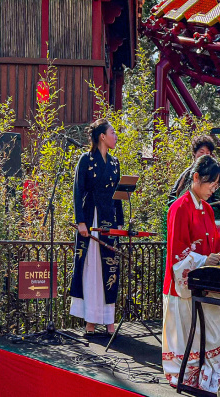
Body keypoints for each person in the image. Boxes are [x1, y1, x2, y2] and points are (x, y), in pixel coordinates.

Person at [161, 155, 220, 392]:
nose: (212, 190)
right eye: (211, 184)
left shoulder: (206, 209)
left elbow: (217, 247)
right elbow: (177, 256)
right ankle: (210, 371)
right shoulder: (179, 208)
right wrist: (205, 259)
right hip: (184, 289)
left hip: (203, 282)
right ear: (196, 178)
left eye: (215, 186)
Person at [69, 118, 124, 336]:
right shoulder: (86, 159)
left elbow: (118, 196)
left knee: (109, 268)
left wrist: (120, 222)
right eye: (113, 133)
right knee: (91, 267)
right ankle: (90, 320)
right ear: (102, 136)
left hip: (109, 218)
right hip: (91, 218)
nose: (115, 136)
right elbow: (77, 190)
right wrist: (81, 221)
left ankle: (109, 320)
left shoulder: (115, 163)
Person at [169, 135, 220, 219]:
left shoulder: (212, 173)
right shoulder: (187, 174)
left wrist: (218, 204)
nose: (204, 155)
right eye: (201, 152)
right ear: (194, 153)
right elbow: (173, 199)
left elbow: (211, 199)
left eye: (207, 153)